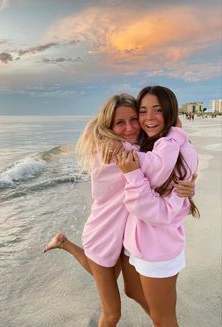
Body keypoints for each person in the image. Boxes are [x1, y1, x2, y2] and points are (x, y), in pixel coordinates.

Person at [44, 91, 197, 327]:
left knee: (123, 285)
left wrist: (189, 185)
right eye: (120, 122)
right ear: (108, 126)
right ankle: (64, 243)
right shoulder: (116, 150)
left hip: (126, 235)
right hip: (104, 232)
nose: (129, 127)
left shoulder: (138, 146)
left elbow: (162, 176)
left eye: (133, 119)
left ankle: (63, 242)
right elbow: (159, 168)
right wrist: (176, 131)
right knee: (112, 312)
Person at [114, 86, 199, 327]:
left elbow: (161, 213)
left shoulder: (180, 152)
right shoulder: (154, 143)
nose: (148, 117)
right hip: (138, 244)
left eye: (157, 110)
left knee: (164, 319)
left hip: (158, 250)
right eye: (143, 111)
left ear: (170, 111)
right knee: (132, 291)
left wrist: (132, 176)